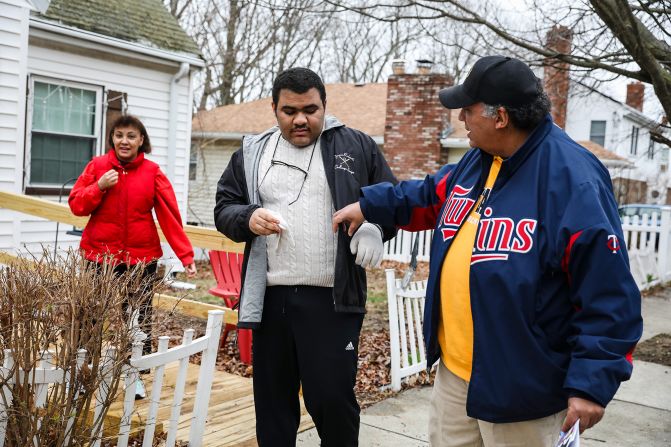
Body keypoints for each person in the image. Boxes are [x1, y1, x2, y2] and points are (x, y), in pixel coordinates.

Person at [332, 55, 643, 446]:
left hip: (526, 392)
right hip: (457, 377)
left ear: (500, 118)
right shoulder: (476, 162)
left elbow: (608, 294)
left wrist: (591, 384)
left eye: (468, 108)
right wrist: (369, 206)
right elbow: (428, 196)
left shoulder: (573, 180)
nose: (461, 117)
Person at [214, 67, 397, 446]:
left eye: (310, 109)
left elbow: (391, 199)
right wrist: (248, 217)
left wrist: (374, 227)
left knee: (331, 400)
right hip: (271, 300)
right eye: (289, 110)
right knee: (274, 406)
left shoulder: (356, 145)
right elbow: (224, 208)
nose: (300, 119)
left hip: (332, 299)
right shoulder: (253, 152)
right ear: (275, 108)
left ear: (325, 107)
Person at [69, 114, 197, 357]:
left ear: (141, 140)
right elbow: (76, 205)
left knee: (140, 313)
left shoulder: (152, 172)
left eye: (131, 136)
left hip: (141, 257)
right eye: (119, 135)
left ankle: (140, 363)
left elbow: (169, 216)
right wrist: (99, 187)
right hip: (100, 255)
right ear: (112, 139)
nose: (124, 141)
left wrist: (186, 255)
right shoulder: (97, 167)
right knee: (92, 310)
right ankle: (86, 359)